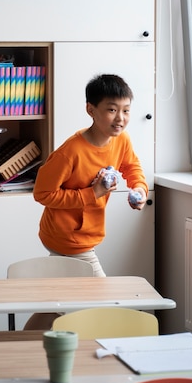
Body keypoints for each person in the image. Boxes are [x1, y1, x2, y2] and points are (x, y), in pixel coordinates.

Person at [33, 73, 148, 277]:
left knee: (62, 300)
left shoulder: (121, 139)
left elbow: (131, 166)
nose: (120, 118)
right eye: (112, 110)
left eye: (126, 110)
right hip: (67, 236)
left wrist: (139, 187)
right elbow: (42, 194)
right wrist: (92, 193)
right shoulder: (70, 153)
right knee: (99, 297)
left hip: (87, 233)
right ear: (90, 110)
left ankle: (50, 310)